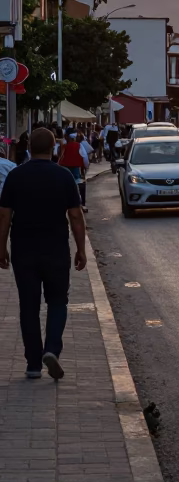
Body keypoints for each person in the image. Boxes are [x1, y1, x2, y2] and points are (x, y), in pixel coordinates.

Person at [0, 126, 86, 380]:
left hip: (23, 249)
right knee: (58, 301)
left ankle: (33, 364)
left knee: (29, 305)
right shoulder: (63, 177)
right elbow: (75, 216)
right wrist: (81, 249)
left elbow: (5, 214)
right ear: (53, 148)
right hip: (56, 249)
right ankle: (52, 350)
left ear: (29, 148)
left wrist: (1, 246)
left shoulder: (16, 176)